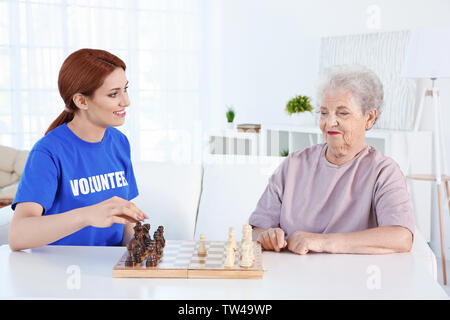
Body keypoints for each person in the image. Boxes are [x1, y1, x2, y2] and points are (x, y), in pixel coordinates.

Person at [249, 65, 415, 255]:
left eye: (342, 113)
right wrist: (266, 236)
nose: (329, 122)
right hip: (293, 277)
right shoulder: (294, 164)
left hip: (353, 280)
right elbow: (255, 230)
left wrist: (322, 242)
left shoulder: (383, 171)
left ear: (369, 118)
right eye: (324, 112)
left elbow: (401, 237)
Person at [9, 48, 147, 251]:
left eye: (125, 89)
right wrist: (88, 215)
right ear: (81, 101)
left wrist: (141, 248)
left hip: (109, 269)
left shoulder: (120, 142)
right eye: (113, 94)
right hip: (64, 273)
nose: (126, 101)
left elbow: (123, 219)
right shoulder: (48, 152)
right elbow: (18, 235)